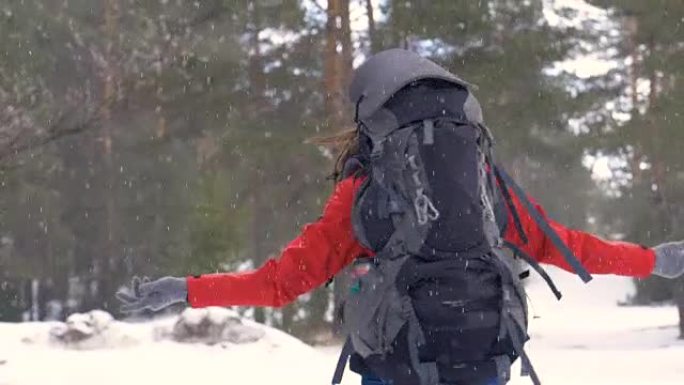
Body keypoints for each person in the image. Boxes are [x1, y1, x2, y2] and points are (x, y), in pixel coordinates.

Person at [116, 49, 684, 385]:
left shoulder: (363, 191)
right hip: (483, 353)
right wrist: (651, 260)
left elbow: (278, 285)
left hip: (400, 360)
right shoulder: (482, 184)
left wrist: (186, 290)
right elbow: (564, 245)